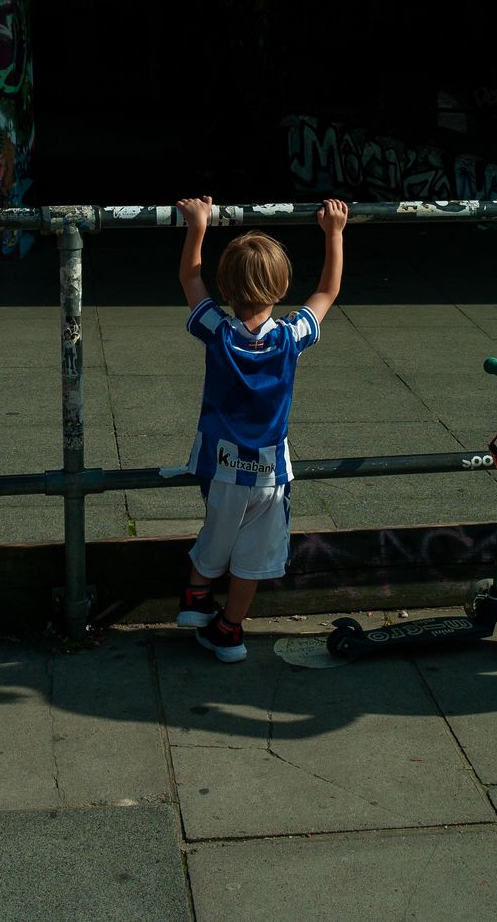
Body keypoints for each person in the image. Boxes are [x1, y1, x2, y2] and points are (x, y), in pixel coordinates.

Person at [173, 195, 347, 662]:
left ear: (226, 287)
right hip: (269, 472)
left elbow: (190, 276)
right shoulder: (291, 337)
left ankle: (195, 594)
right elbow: (328, 291)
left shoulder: (217, 331)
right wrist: (334, 232)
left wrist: (198, 225)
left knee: (217, 525)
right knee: (253, 555)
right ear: (281, 285)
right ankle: (230, 630)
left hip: (219, 460)